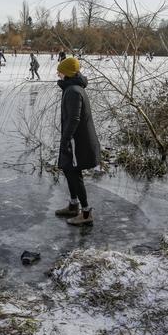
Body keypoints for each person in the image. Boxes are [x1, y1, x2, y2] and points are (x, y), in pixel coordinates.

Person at [54, 57, 101, 226]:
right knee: (68, 169)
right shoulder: (72, 88)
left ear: (67, 73)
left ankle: (86, 212)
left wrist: (66, 139)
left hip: (76, 140)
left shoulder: (73, 90)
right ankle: (74, 205)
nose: (57, 72)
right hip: (74, 139)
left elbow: (74, 118)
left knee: (74, 173)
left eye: (60, 70)